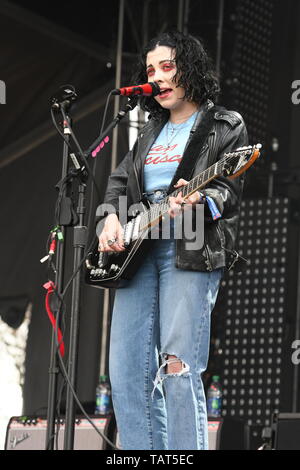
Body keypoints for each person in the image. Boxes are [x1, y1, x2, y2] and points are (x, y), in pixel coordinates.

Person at [96, 30, 248, 450]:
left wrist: (200, 200)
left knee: (178, 366)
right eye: (150, 71)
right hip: (139, 250)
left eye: (167, 67)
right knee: (126, 370)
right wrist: (109, 219)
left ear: (190, 69)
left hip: (190, 247)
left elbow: (229, 190)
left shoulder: (224, 124)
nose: (157, 78)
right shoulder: (149, 129)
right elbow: (119, 182)